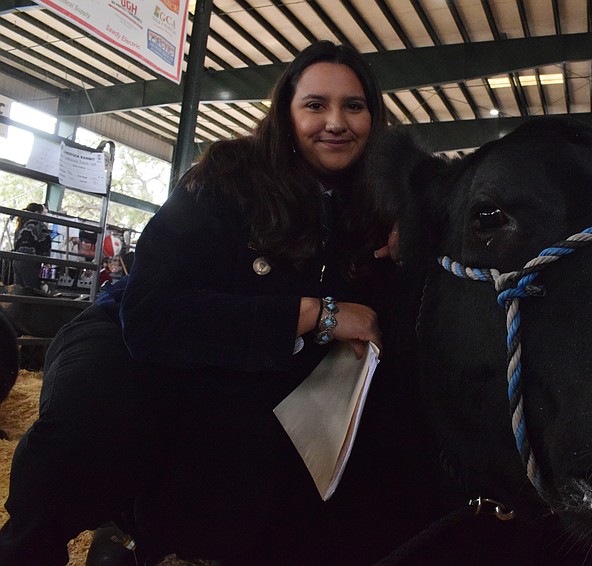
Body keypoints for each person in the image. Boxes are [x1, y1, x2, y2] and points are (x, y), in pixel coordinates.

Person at [0, 40, 399, 564]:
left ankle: (144, 533)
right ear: (285, 114)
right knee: (89, 428)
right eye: (315, 105)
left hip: (243, 363)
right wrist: (317, 315)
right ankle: (34, 545)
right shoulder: (231, 176)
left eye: (354, 105)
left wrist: (415, 228)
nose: (336, 122)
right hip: (130, 337)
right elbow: (152, 315)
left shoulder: (375, 208)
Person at [11, 202, 52, 289]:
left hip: (17, 261)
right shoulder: (39, 224)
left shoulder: (21, 225)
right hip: (30, 261)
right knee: (31, 290)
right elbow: (45, 244)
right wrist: (46, 261)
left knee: (19, 290)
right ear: (37, 212)